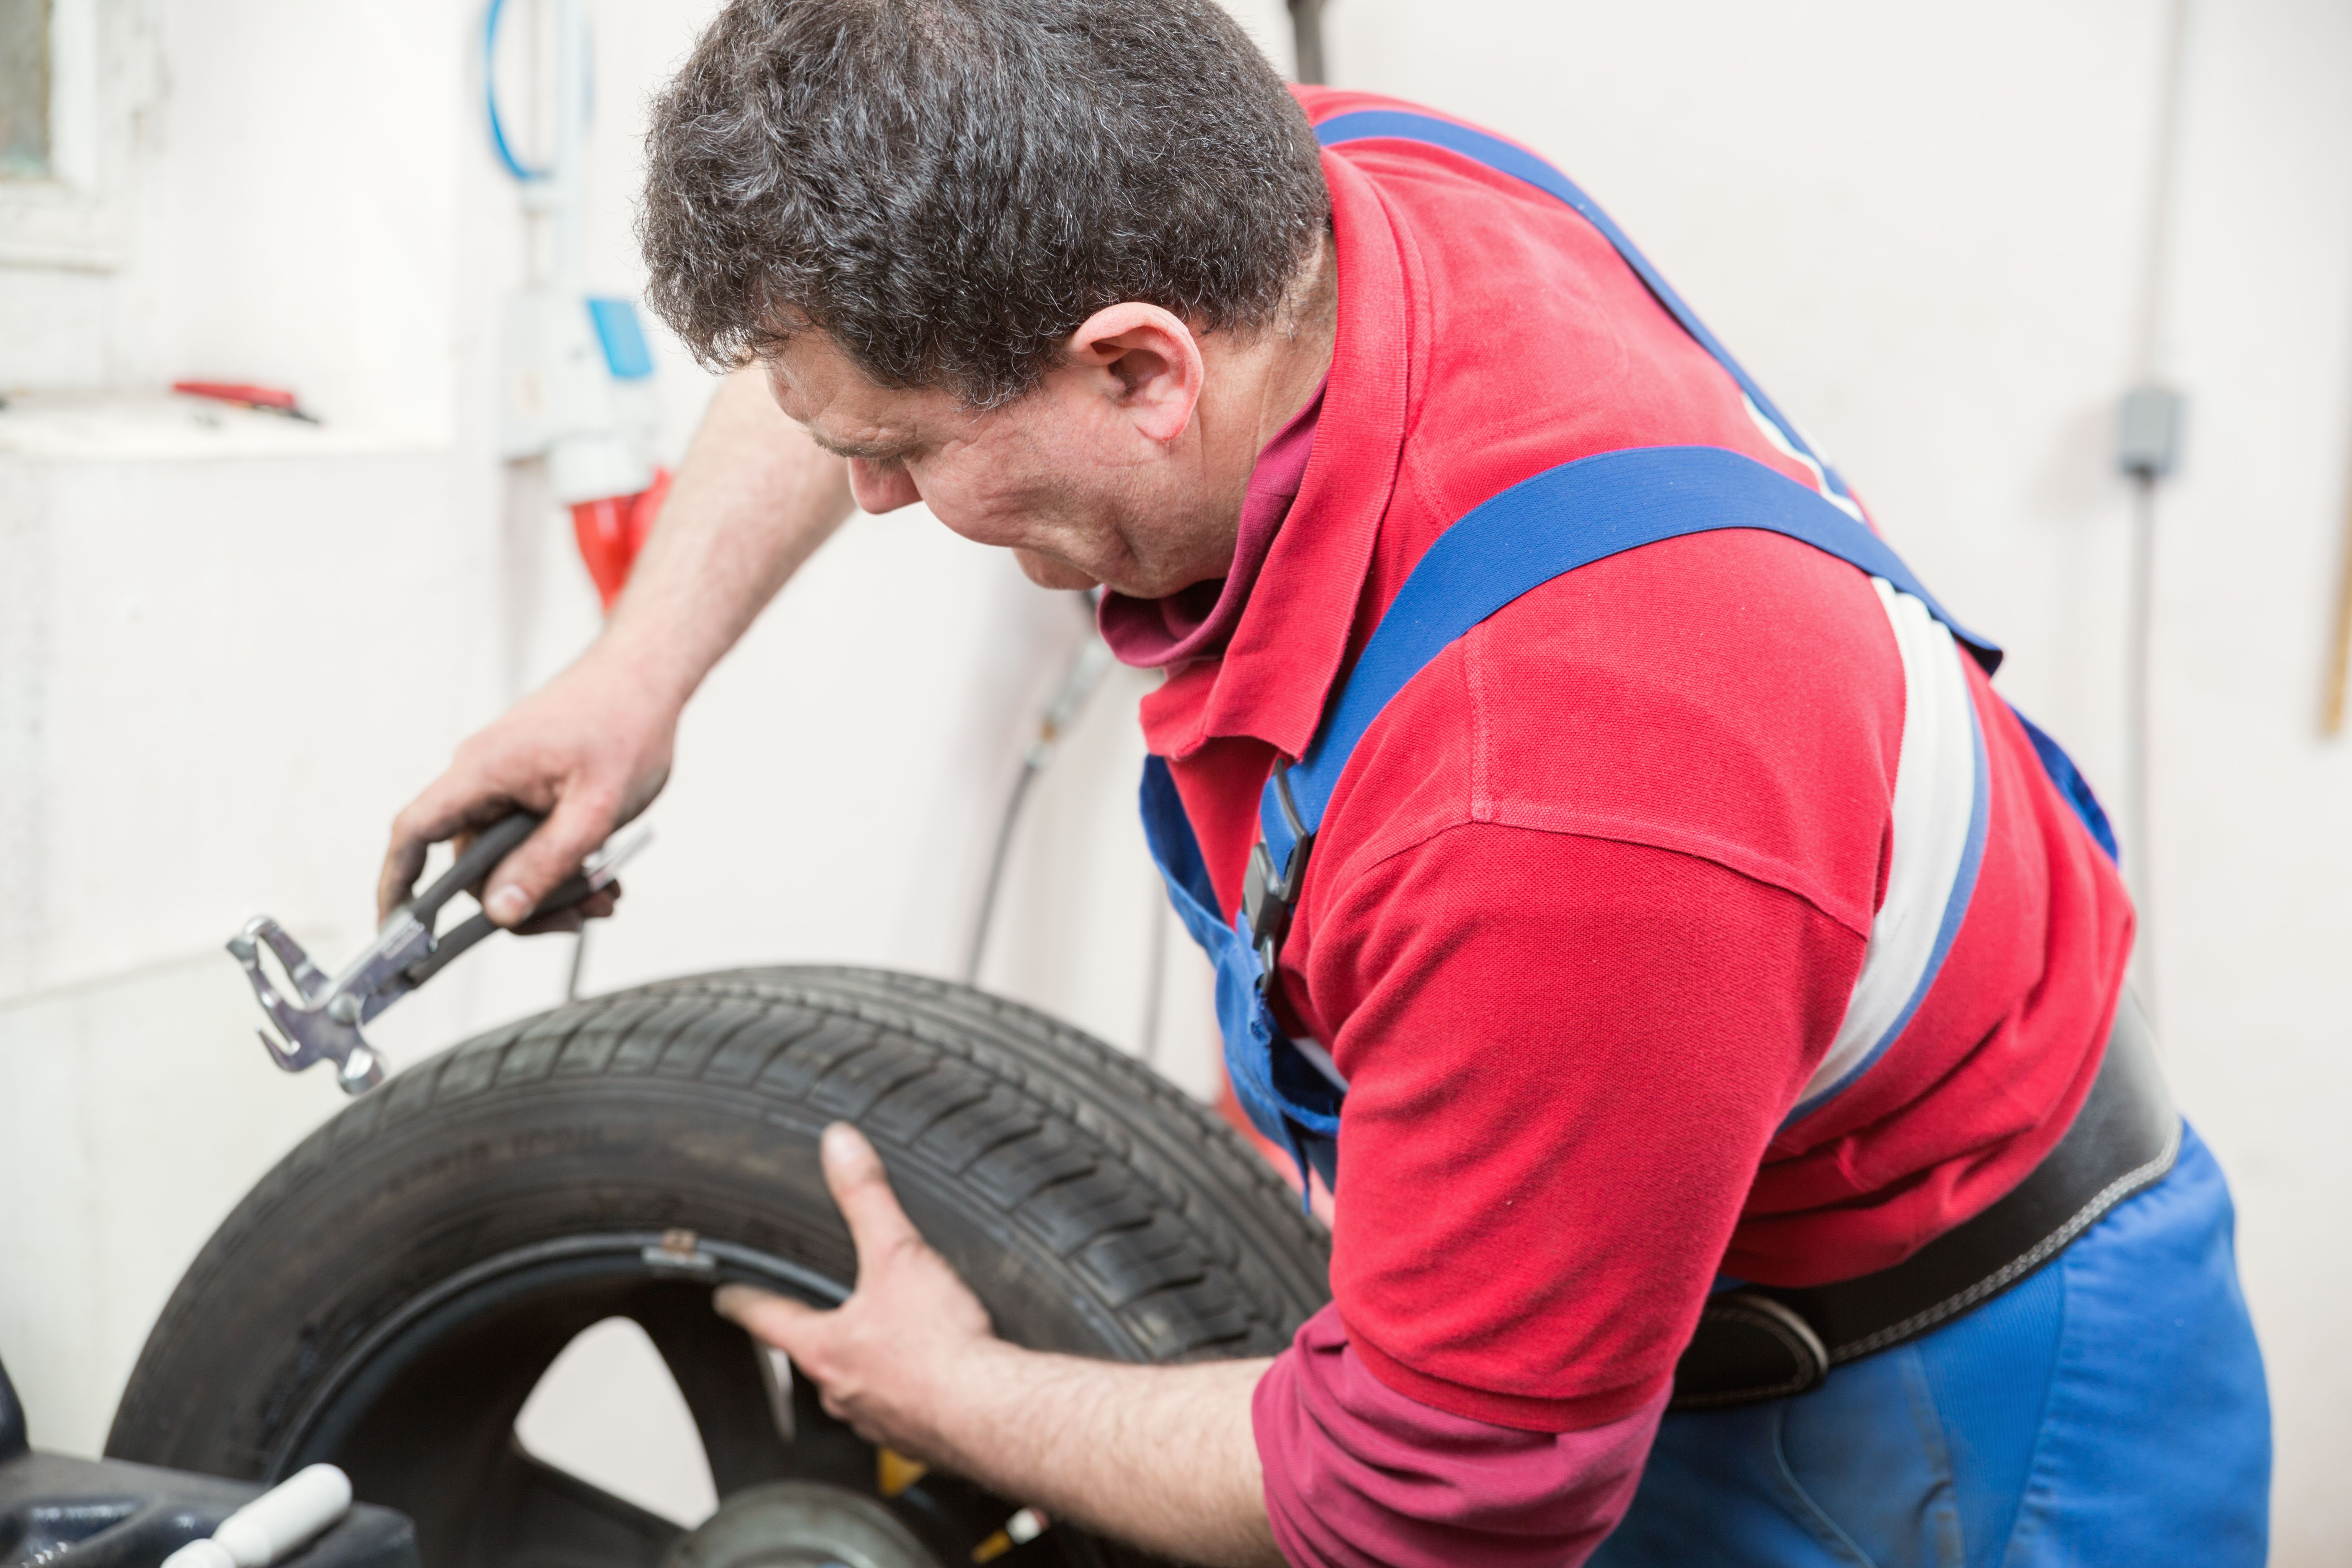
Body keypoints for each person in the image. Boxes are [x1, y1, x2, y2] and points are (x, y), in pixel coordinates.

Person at [380, 2, 2272, 1563]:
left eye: (905, 462)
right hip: (1670, 1197)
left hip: (1939, 1429)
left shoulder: (1551, 795)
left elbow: (1435, 1494)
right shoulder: (1298, 189)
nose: (874, 501)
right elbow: (854, 345)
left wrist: (951, 1392)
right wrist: (638, 677)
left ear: (1142, 374)